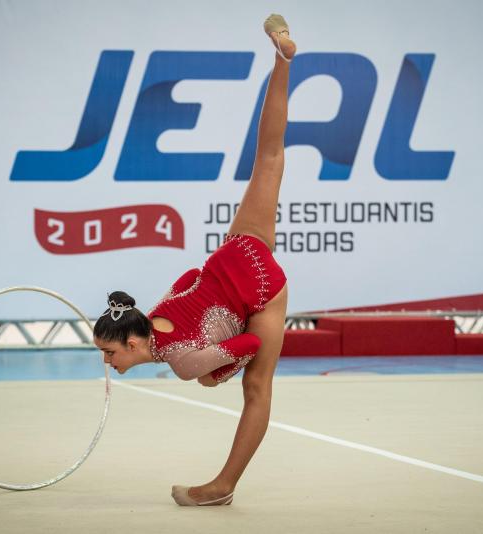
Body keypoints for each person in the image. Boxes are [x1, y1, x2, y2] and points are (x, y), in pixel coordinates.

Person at [93, 13, 296, 507]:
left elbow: (249, 340)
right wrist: (216, 346)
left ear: (134, 342)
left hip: (262, 290)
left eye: (110, 353)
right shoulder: (153, 312)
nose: (108, 362)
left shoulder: (183, 362)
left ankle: (222, 487)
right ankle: (281, 59)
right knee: (268, 157)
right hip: (238, 250)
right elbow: (189, 276)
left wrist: (218, 367)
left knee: (257, 389)